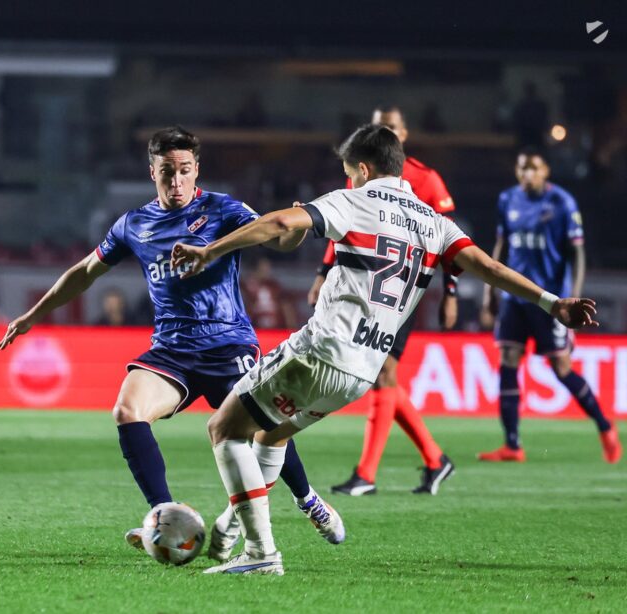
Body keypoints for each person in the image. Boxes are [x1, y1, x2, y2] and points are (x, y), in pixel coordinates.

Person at [171, 124, 600, 575]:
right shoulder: (434, 222)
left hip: (322, 351)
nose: (348, 181)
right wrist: (554, 303)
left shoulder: (354, 200)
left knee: (223, 428)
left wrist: (210, 251)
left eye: (348, 173)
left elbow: (280, 223)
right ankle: (231, 528)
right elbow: (489, 267)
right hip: (362, 372)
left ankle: (261, 553)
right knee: (272, 434)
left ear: (362, 168)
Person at [0, 126, 344, 559]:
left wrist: (292, 232)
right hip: (172, 350)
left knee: (267, 432)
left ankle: (308, 499)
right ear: (152, 172)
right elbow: (85, 271)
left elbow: (279, 238)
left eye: (183, 170)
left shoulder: (223, 209)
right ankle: (163, 515)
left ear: (197, 169)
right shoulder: (134, 224)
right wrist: (33, 315)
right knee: (127, 410)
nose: (176, 181)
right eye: (167, 172)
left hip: (227, 344)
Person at [309, 106, 457, 496]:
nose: (385, 131)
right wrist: (323, 275)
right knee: (381, 375)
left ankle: (367, 474)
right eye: (379, 126)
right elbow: (347, 228)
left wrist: (450, 294)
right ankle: (434, 459)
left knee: (383, 374)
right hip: (364, 286)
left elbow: (451, 243)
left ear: (403, 135)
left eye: (391, 127)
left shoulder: (425, 180)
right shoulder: (363, 177)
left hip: (399, 288)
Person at [479, 148, 621, 463]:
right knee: (508, 359)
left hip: (551, 300)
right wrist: (490, 292)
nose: (527, 174)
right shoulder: (507, 200)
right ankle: (512, 445)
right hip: (515, 298)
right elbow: (501, 245)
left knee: (561, 368)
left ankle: (605, 426)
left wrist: (573, 296)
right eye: (522, 168)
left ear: (546, 172)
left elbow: (577, 254)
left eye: (534, 168)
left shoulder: (562, 203)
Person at [241, 257, 298, 329]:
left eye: (267, 268)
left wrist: (291, 326)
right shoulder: (246, 286)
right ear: (256, 269)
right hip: (256, 329)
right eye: (263, 268)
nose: (267, 271)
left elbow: (286, 306)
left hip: (276, 329)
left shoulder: (274, 286)